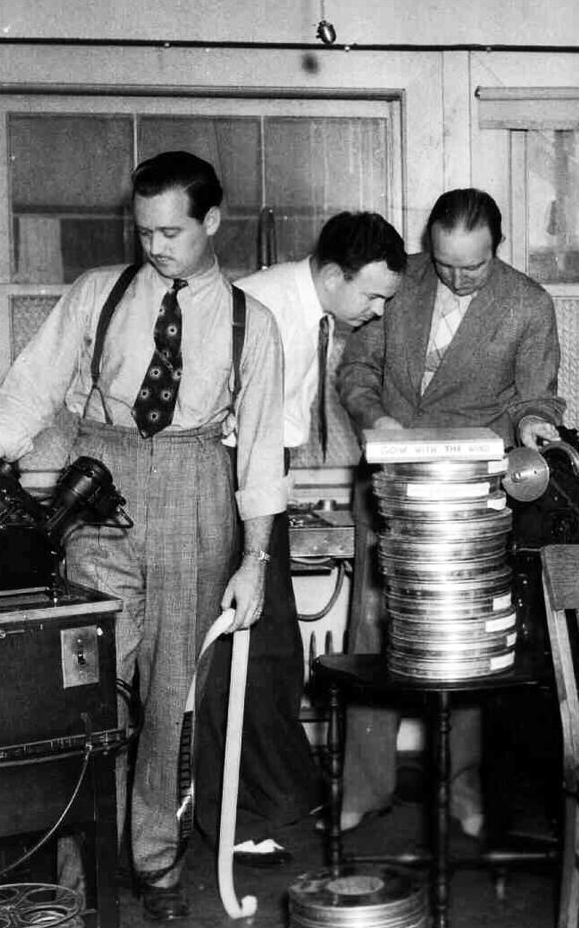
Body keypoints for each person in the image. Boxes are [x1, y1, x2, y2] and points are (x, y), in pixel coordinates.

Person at [0, 151, 286, 922]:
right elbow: (33, 385)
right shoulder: (97, 294)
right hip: (98, 486)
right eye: (144, 231)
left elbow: (263, 452)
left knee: (171, 692)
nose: (156, 246)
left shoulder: (252, 322)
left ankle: (157, 864)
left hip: (197, 485)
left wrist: (257, 560)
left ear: (212, 220)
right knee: (86, 687)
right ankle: (78, 867)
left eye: (172, 231)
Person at [336, 187, 565, 836]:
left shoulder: (527, 304)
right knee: (371, 632)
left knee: (467, 641)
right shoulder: (398, 283)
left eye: (473, 265)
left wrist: (535, 430)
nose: (457, 278)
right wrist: (376, 419)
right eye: (444, 263)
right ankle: (364, 786)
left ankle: (463, 791)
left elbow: (538, 399)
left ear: (497, 245)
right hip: (389, 485)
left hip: (471, 497)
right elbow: (354, 369)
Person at [194, 212, 407, 865]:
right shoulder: (263, 307)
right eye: (371, 295)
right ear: (335, 275)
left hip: (261, 483)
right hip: (230, 482)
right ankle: (235, 818)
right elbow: (226, 429)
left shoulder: (309, 308)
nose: (376, 312)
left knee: (271, 654)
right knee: (251, 655)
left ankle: (260, 802)